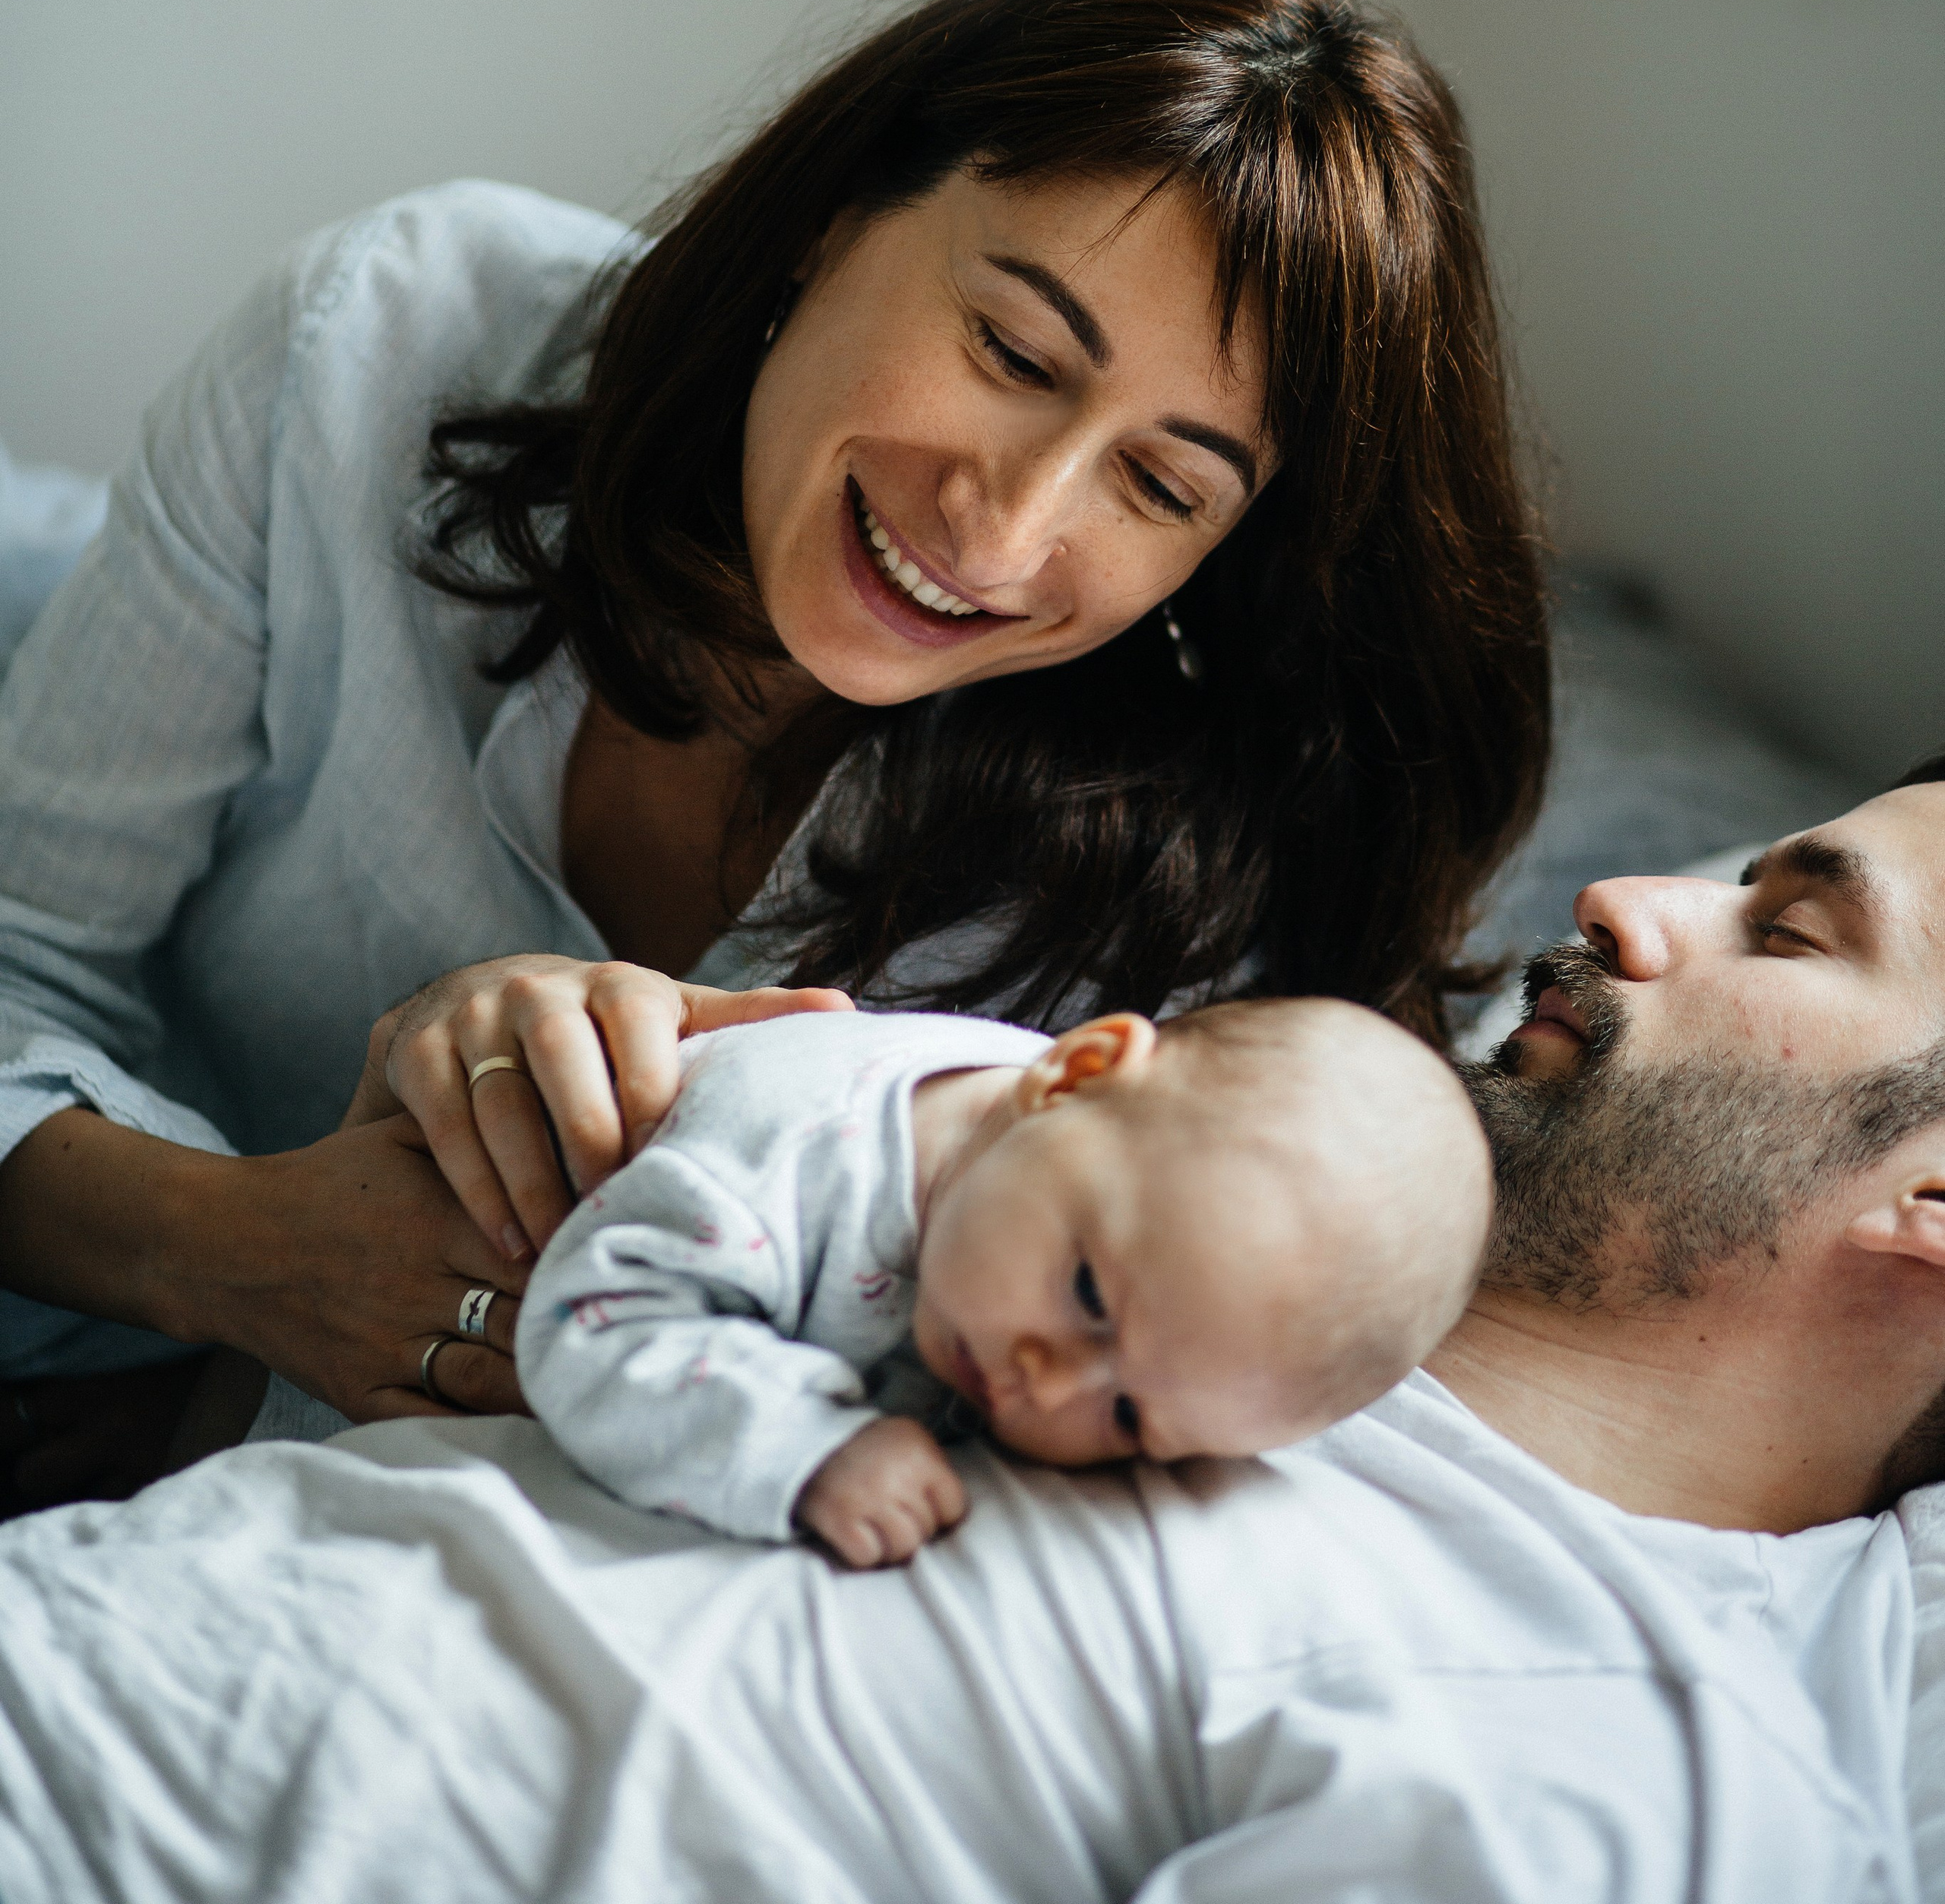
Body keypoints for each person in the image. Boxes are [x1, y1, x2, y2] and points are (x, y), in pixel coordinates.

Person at [0, 0, 1550, 1508]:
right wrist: (226, 1261)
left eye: (1160, 485)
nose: (1000, 535)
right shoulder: (379, 345)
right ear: (834, 210)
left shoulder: (1159, 902)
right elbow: (17, 947)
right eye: (1009, 352)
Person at [1, 761, 1940, 1904]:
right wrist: (515, 1058)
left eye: (1784, 929)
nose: (1624, 897)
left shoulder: (1631, 1753)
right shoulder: (1117, 1151)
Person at [517, 996, 1491, 1562]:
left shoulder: (1089, 1163)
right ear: (1073, 1074)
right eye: (1090, 1299)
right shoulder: (787, 1152)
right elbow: (587, 1322)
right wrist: (805, 1446)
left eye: (1127, 1424)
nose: (1051, 1385)